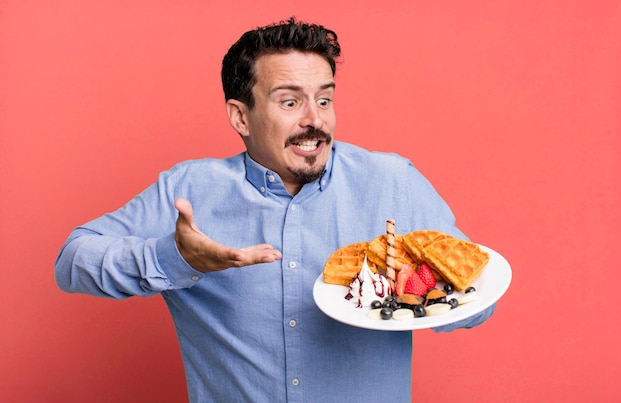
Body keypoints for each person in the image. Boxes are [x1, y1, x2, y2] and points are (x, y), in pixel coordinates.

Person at [55, 18, 495, 402]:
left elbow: (477, 300)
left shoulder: (392, 182)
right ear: (241, 117)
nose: (315, 119)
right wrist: (175, 259)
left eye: (324, 100)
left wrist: (437, 292)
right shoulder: (189, 190)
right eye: (290, 102)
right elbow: (72, 261)